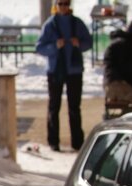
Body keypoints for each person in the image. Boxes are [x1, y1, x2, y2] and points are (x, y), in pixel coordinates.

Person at [36, 0, 92, 152]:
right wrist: (54, 46)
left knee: (74, 107)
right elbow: (39, 47)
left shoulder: (77, 23)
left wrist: (78, 43)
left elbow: (88, 42)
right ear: (56, 5)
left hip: (74, 70)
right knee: (54, 107)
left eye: (66, 4)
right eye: (61, 4)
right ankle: (53, 141)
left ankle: (77, 142)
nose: (63, 7)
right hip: (55, 70)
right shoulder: (50, 24)